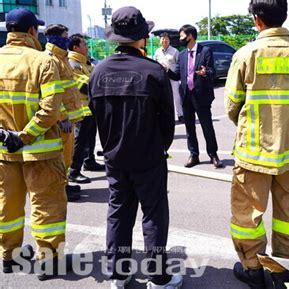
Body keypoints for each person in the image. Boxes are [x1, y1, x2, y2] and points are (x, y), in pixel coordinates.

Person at [225, 0, 289, 288]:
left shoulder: (246, 54)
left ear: (257, 20)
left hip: (254, 152)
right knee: (288, 213)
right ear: (285, 17)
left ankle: (253, 268)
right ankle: (285, 268)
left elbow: (232, 104)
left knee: (247, 215)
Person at [89, 6, 182, 288]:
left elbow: (96, 116)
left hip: (114, 156)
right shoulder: (153, 72)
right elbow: (168, 121)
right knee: (153, 214)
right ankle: (158, 275)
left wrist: (111, 146)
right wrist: (159, 147)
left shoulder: (99, 71)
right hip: (149, 156)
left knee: (119, 212)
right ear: (142, 37)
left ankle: (118, 272)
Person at [0, 8, 69, 280]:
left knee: (8, 206)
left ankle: (9, 256)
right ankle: (49, 261)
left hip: (5, 152)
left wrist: (6, 136)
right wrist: (25, 136)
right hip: (40, 153)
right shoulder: (43, 61)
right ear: (32, 31)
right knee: (47, 207)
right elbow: (51, 109)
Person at [168, 24, 223, 168]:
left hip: (201, 95)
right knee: (189, 128)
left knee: (207, 126)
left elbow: (213, 72)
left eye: (182, 36)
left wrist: (206, 72)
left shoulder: (205, 51)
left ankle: (213, 154)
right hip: (186, 96)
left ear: (190, 36)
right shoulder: (182, 55)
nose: (180, 39)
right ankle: (194, 155)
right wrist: (166, 70)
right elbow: (177, 75)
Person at [44, 24, 84, 203]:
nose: (67, 39)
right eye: (65, 36)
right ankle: (59, 189)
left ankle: (65, 184)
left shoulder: (62, 58)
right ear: (55, 38)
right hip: (62, 120)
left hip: (70, 118)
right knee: (59, 158)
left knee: (67, 157)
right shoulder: (50, 59)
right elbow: (51, 93)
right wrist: (62, 116)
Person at [68, 33, 105, 187]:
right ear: (76, 47)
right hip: (80, 108)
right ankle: (74, 171)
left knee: (90, 136)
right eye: (84, 44)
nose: (87, 47)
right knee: (80, 139)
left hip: (89, 106)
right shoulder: (72, 63)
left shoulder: (86, 63)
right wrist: (98, 85)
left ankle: (89, 161)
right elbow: (83, 85)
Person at [154, 32, 184, 123]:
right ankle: (166, 116)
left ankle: (180, 115)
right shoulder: (157, 52)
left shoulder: (175, 51)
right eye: (163, 39)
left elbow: (179, 65)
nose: (165, 40)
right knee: (163, 98)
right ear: (160, 41)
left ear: (169, 40)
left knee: (177, 97)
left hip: (173, 78)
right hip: (161, 79)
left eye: (166, 39)